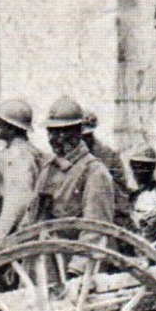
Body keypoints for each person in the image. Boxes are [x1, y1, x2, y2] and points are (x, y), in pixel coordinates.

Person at [36, 96, 117, 230]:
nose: (52, 139)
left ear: (77, 132)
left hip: (74, 250)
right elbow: (33, 218)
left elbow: (94, 232)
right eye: (50, 131)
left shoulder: (95, 173)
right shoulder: (49, 168)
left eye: (60, 132)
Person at [0, 97, 43, 247]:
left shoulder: (17, 156)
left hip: (18, 234)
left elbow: (16, 203)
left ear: (11, 128)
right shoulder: (26, 151)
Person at [83, 109, 135, 225]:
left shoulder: (109, 156)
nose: (84, 140)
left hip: (107, 214)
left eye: (87, 136)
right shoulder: (69, 157)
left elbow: (120, 191)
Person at [126, 147, 156, 243]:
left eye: (145, 166)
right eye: (135, 166)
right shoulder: (128, 194)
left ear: (153, 167)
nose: (139, 171)